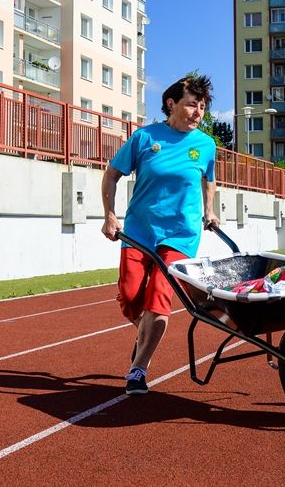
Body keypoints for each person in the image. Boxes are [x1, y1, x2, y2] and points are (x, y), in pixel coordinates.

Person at [100, 74, 219, 394]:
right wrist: (110, 215)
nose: (198, 112)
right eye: (193, 104)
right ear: (171, 104)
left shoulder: (206, 145)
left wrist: (209, 210)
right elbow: (111, 175)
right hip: (140, 230)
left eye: (203, 107)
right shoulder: (143, 138)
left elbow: (209, 178)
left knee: (159, 297)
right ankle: (144, 332)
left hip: (181, 233)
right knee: (129, 297)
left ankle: (138, 369)